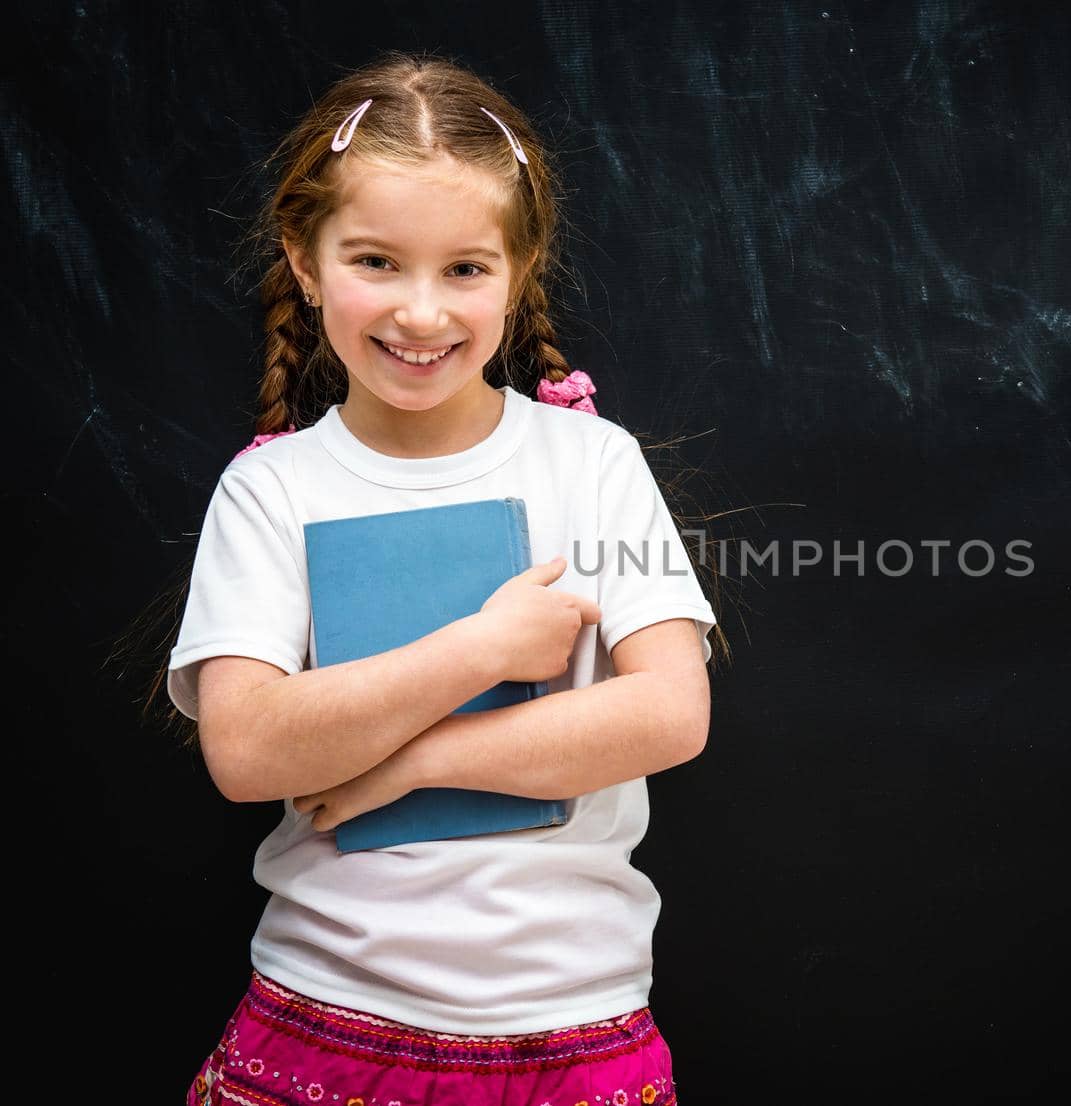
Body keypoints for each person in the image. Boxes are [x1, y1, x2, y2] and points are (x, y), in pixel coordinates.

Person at [163, 51, 727, 1106]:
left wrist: (405, 764)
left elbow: (670, 710)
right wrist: (480, 647)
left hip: (574, 1020)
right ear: (302, 256)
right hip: (325, 1012)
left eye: (464, 269)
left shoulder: (592, 463)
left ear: (518, 269)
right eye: (375, 260)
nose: (421, 314)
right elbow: (243, 749)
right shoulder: (270, 490)